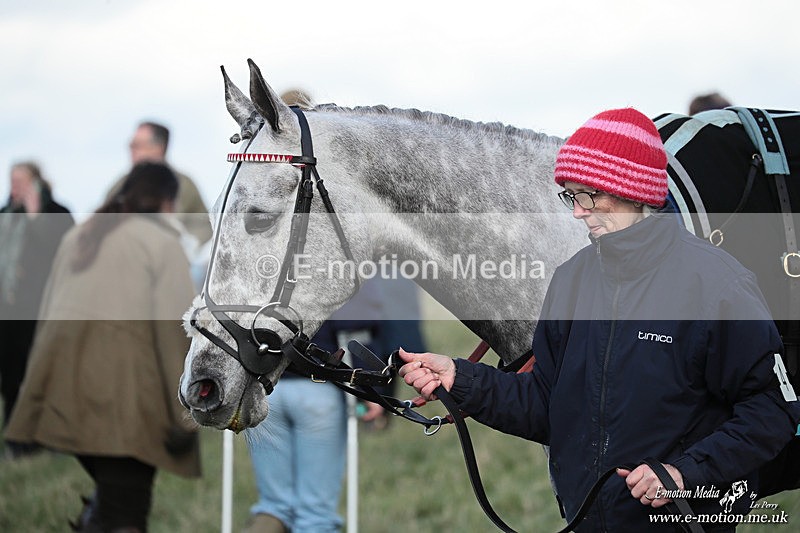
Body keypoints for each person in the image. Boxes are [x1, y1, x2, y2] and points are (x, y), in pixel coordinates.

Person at [399, 108, 800, 531]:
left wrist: (684, 475)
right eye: (571, 196)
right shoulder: (571, 280)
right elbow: (545, 404)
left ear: (634, 189)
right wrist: (460, 379)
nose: (578, 212)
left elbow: (772, 410)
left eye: (588, 194)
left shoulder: (717, 286)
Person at [5, 162, 201, 532]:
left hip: (63, 397)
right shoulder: (162, 244)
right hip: (120, 406)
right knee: (125, 515)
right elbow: (174, 335)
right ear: (166, 202)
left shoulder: (82, 235)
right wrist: (185, 415)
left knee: (111, 506)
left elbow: (47, 314)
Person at [0, 161, 73, 458]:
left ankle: (52, 438)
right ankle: (17, 441)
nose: (14, 187)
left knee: (46, 373)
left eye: (21, 181)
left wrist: (34, 216)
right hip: (10, 309)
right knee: (13, 377)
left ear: (37, 182)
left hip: (45, 307)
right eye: (11, 180)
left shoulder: (56, 212)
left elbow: (63, 253)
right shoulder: (6, 215)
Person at [107, 121, 212, 252]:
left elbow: (204, 226)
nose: (131, 150)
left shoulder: (184, 185)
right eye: (130, 145)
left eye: (137, 145)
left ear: (159, 147)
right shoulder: (121, 185)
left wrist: (187, 247)